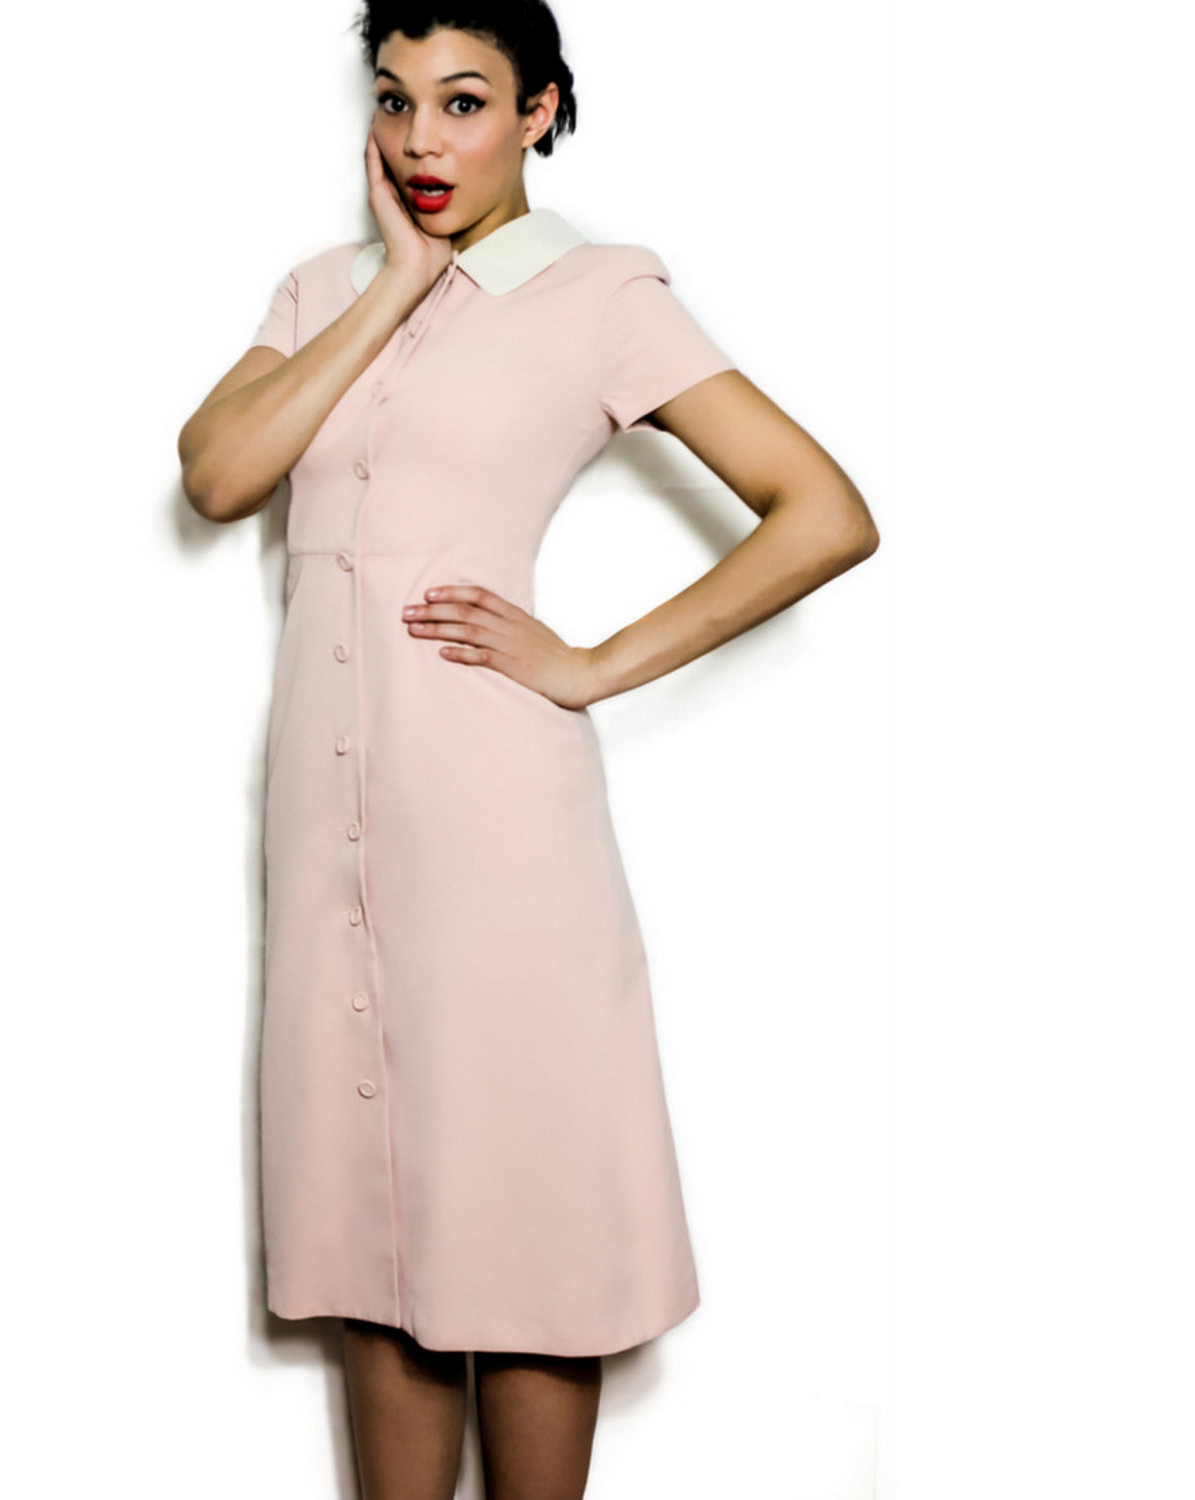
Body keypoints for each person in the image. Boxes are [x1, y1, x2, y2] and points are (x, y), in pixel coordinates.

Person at [178, 2, 879, 1494]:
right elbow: (223, 476)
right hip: (324, 833)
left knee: (526, 1225)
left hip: (497, 826)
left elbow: (824, 512)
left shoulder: (600, 293)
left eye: (465, 101)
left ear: (541, 110)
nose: (422, 140)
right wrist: (401, 282)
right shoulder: (320, 289)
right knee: (372, 1231)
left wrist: (592, 664)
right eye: (395, 100)